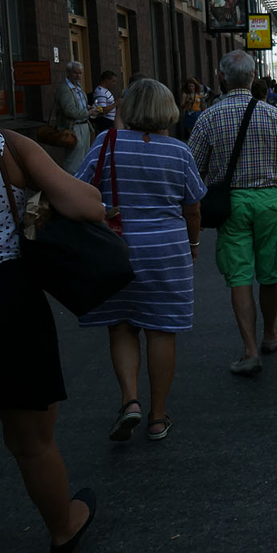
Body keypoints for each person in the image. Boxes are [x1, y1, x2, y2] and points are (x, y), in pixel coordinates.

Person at [0, 48, 104, 553]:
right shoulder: (1, 145)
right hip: (7, 303)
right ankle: (63, 526)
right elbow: (86, 206)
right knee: (33, 443)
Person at [74, 80, 206, 442]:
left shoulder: (106, 144)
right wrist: (193, 244)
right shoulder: (179, 152)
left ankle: (129, 401)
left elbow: (79, 189)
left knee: (121, 326)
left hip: (115, 251)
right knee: (161, 330)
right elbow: (193, 207)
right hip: (167, 252)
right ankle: (158, 417)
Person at [187, 51, 277, 376]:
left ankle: (250, 350)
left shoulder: (208, 117)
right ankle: (269, 334)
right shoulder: (273, 115)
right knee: (269, 272)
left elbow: (193, 169)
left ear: (221, 78)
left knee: (239, 276)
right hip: (270, 202)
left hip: (230, 204)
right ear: (253, 78)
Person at [54, 61, 95, 173]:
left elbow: (81, 105)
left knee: (84, 157)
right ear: (68, 73)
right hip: (74, 127)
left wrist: (90, 108)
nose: (78, 76)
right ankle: (71, 181)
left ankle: (81, 180)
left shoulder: (79, 88)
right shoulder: (65, 89)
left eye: (80, 73)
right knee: (73, 160)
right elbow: (69, 111)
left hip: (84, 126)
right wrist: (88, 112)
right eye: (75, 73)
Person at [91, 71, 118, 136]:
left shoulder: (106, 91)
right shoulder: (100, 92)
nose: (114, 84)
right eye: (113, 81)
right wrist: (116, 103)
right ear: (106, 80)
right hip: (105, 121)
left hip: (110, 120)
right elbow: (102, 110)